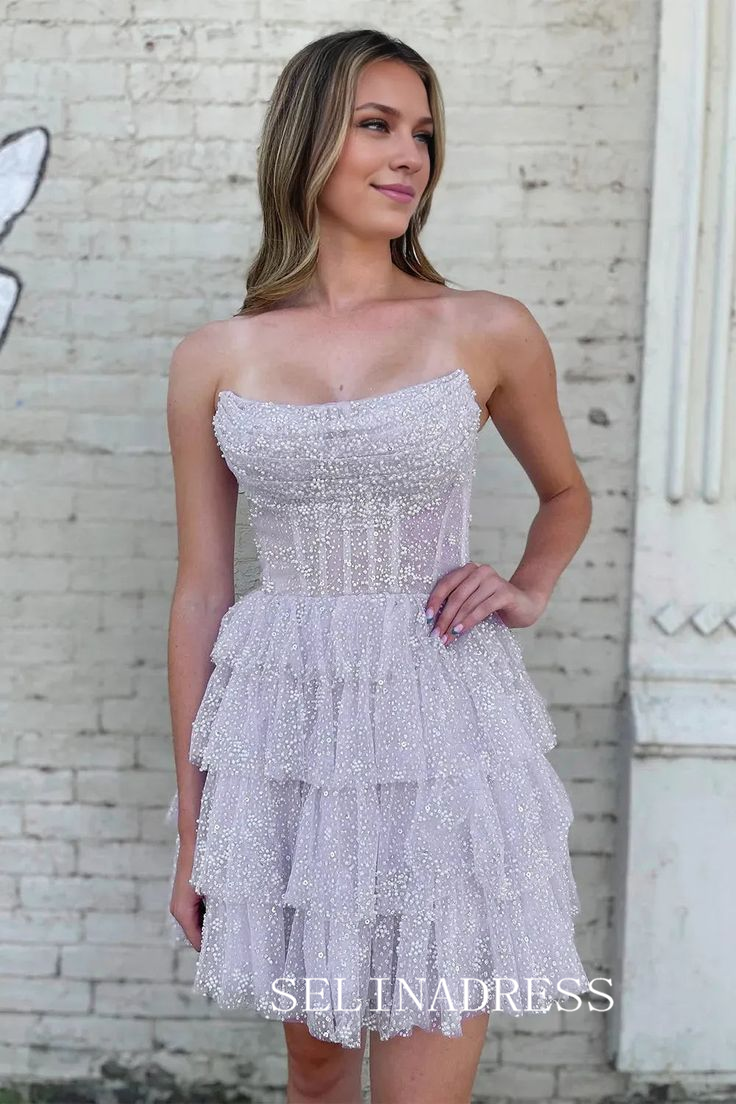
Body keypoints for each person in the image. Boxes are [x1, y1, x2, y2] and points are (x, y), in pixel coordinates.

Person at [165, 27, 593, 1104]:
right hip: (285, 741)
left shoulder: (486, 328)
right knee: (315, 1072)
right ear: (307, 140)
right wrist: (198, 829)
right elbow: (203, 590)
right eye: (377, 126)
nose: (410, 156)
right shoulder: (215, 355)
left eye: (424, 135)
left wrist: (528, 586)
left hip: (440, 729)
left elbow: (566, 494)